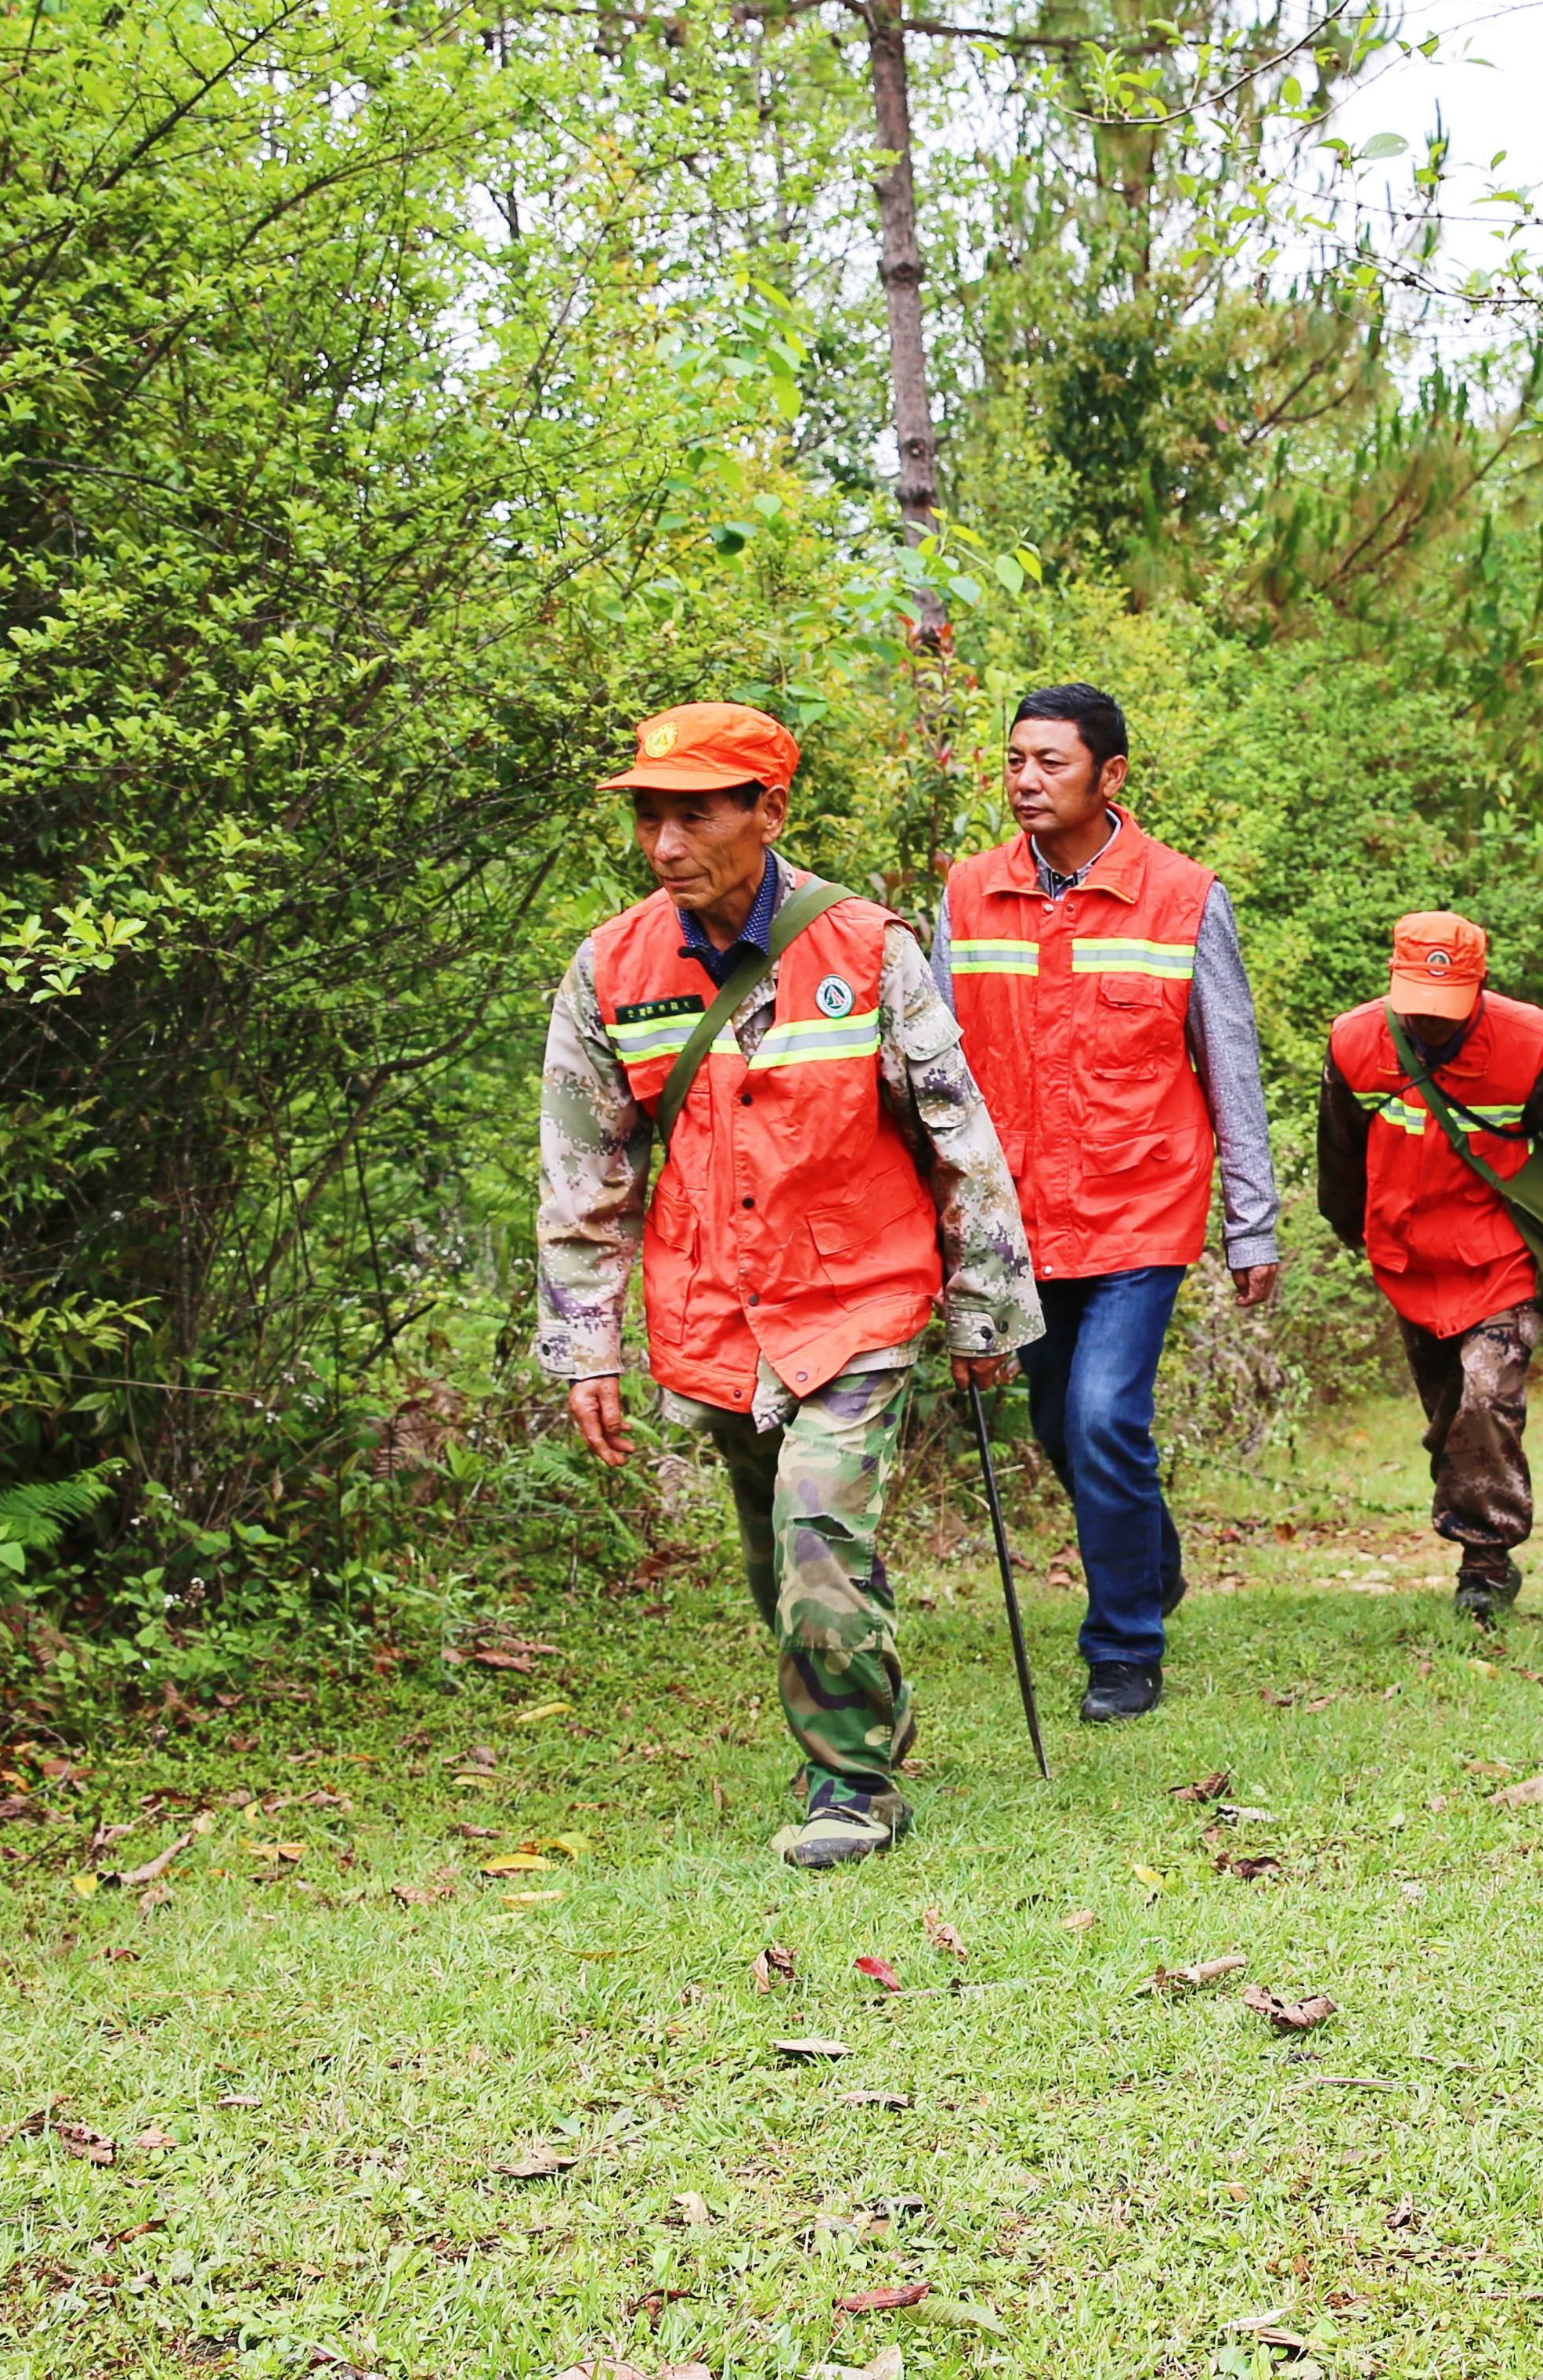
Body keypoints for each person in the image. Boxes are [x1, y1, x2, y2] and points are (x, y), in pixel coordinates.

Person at [537, 701, 1042, 1869]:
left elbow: (956, 1138)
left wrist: (983, 1312)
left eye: (695, 815)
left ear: (768, 811)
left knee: (818, 1525)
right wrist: (587, 1350)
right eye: (650, 817)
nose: (666, 844)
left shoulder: (867, 949)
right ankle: (867, 1708)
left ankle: (852, 1785)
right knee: (783, 1551)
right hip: (713, 1310)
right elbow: (585, 1173)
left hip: (860, 1295)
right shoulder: (610, 967)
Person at [936, 684, 1282, 1725]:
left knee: (1102, 1416)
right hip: (1020, 1225)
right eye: (1014, 762)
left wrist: (1250, 1220)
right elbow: (938, 1073)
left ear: (1111, 776)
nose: (1027, 781)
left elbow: (1232, 1063)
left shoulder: (1181, 897)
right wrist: (948, 1228)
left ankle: (1124, 1647)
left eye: (1050, 762)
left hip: (1141, 1210)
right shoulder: (967, 895)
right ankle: (1153, 1561)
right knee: (1058, 1423)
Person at [1315, 911, 1543, 1624]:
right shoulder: (1356, 1041)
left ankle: (1485, 1564)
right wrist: (1349, 1228)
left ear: (1481, 984)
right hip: (1409, 1254)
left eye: (1448, 1008)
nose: (1432, 1025)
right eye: (1419, 1010)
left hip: (1500, 1253)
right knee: (1449, 1417)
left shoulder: (1530, 1043)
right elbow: (1339, 1149)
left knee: (1485, 1397)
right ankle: (1475, 1518)